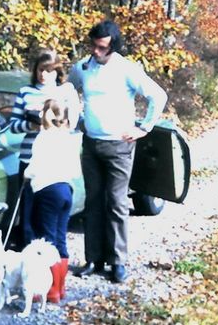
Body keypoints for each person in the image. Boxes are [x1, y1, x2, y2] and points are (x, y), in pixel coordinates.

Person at [68, 20, 167, 283]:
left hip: (119, 146)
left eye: (102, 48)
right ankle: (93, 259)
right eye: (94, 46)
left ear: (113, 47)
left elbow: (158, 96)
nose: (96, 52)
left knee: (116, 203)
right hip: (91, 144)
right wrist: (78, 120)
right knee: (93, 201)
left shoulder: (126, 70)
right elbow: (67, 91)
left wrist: (144, 128)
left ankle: (117, 262)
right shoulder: (83, 67)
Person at [8, 49, 80, 247]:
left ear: (57, 71)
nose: (43, 75)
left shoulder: (64, 92)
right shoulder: (25, 92)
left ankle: (50, 257)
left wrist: (53, 121)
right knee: (27, 210)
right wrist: (30, 124)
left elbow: (72, 125)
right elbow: (13, 125)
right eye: (40, 70)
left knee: (49, 214)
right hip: (29, 158)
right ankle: (25, 250)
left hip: (54, 161)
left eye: (49, 70)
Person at [23, 99, 81, 302]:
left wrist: (27, 175)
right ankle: (60, 288)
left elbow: (36, 165)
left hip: (47, 189)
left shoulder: (44, 138)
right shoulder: (70, 138)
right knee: (60, 239)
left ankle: (50, 290)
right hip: (66, 189)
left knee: (47, 241)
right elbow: (75, 169)